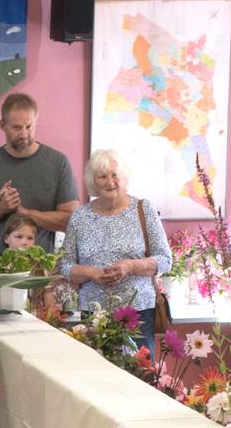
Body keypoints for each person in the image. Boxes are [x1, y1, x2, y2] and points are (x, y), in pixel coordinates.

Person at [58, 149, 170, 355]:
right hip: (94, 312)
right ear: (93, 182)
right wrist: (92, 273)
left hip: (138, 312)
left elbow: (165, 260)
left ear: (124, 178)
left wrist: (130, 266)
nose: (110, 181)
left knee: (140, 375)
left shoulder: (144, 209)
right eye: (102, 176)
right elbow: (65, 266)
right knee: (96, 377)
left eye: (115, 175)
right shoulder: (80, 217)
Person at [0, 93, 80, 254]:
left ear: (35, 122)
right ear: (2, 125)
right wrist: (0, 209)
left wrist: (25, 213)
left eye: (29, 126)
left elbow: (71, 221)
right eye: (16, 127)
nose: (24, 134)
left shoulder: (58, 162)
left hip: (38, 270)